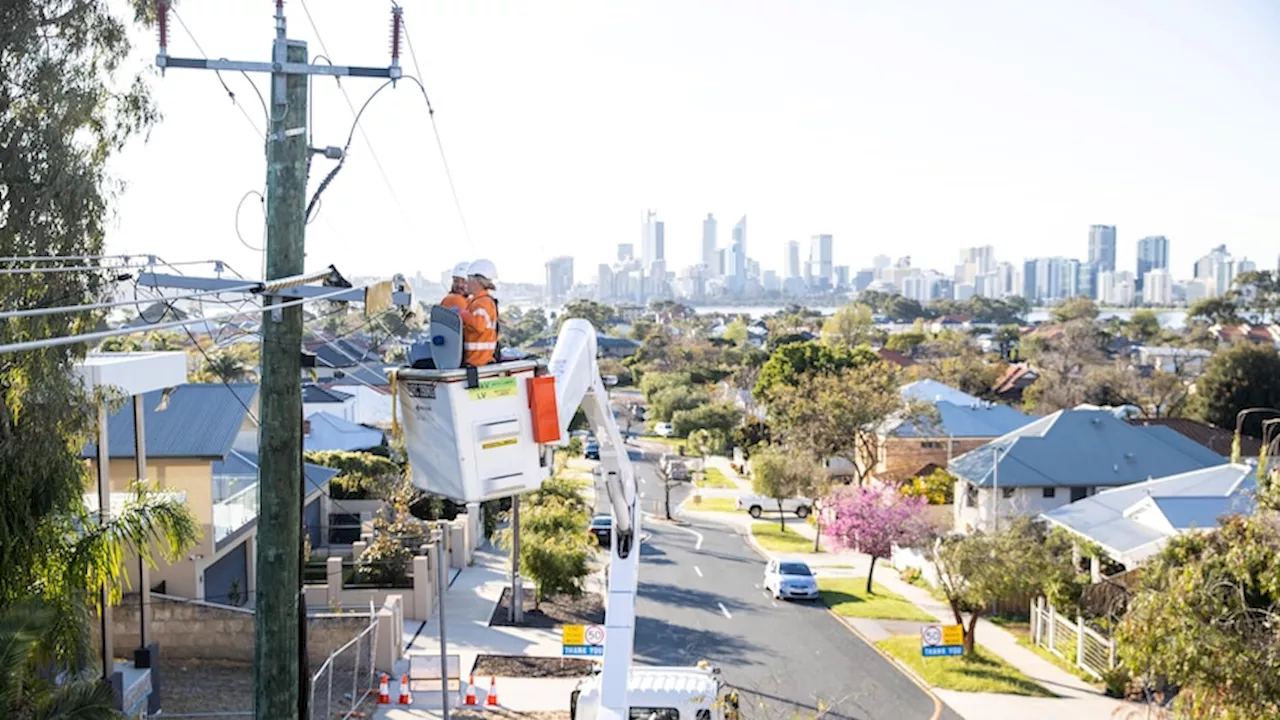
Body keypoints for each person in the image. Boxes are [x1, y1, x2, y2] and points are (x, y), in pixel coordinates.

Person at [459, 258, 499, 367]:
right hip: (478, 360)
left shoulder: (482, 303)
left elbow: (479, 326)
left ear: (477, 281)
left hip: (478, 361)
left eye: (468, 279)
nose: (466, 283)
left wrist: (463, 315)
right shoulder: (478, 301)